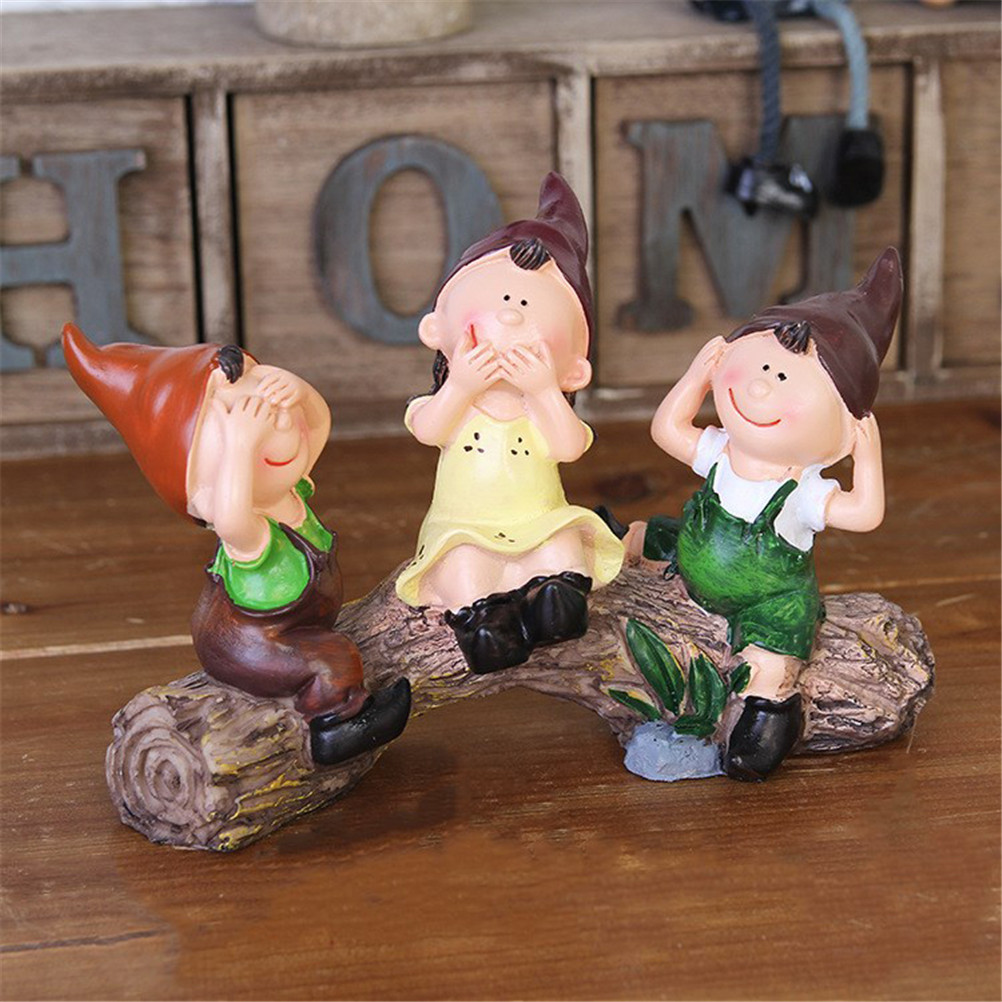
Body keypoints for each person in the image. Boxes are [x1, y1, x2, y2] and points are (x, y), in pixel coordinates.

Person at [62, 324, 410, 766]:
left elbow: (317, 425)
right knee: (333, 659)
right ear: (203, 498)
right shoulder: (251, 530)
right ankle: (333, 728)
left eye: (264, 392)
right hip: (251, 645)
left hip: (293, 630)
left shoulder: (287, 494)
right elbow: (231, 517)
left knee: (333, 651)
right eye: (238, 415)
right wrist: (242, 444)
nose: (276, 416)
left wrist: (298, 391)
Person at [648, 248, 902, 781]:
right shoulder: (721, 451)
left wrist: (868, 455)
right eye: (761, 367)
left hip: (769, 602)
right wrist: (696, 376)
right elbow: (667, 430)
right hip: (693, 563)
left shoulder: (803, 490)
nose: (761, 386)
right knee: (642, 537)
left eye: (786, 379)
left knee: (769, 663)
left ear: (841, 435)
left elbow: (864, 514)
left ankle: (767, 719)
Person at [396, 173, 625, 673]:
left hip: (538, 517)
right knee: (463, 564)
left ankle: (556, 597)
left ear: (575, 370)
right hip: (463, 524)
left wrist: (543, 391)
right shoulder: (453, 403)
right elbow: (429, 430)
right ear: (435, 329)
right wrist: (460, 385)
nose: (512, 316)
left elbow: (568, 446)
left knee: (561, 545)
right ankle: (484, 623)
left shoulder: (542, 406)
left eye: (529, 307)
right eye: (498, 301)